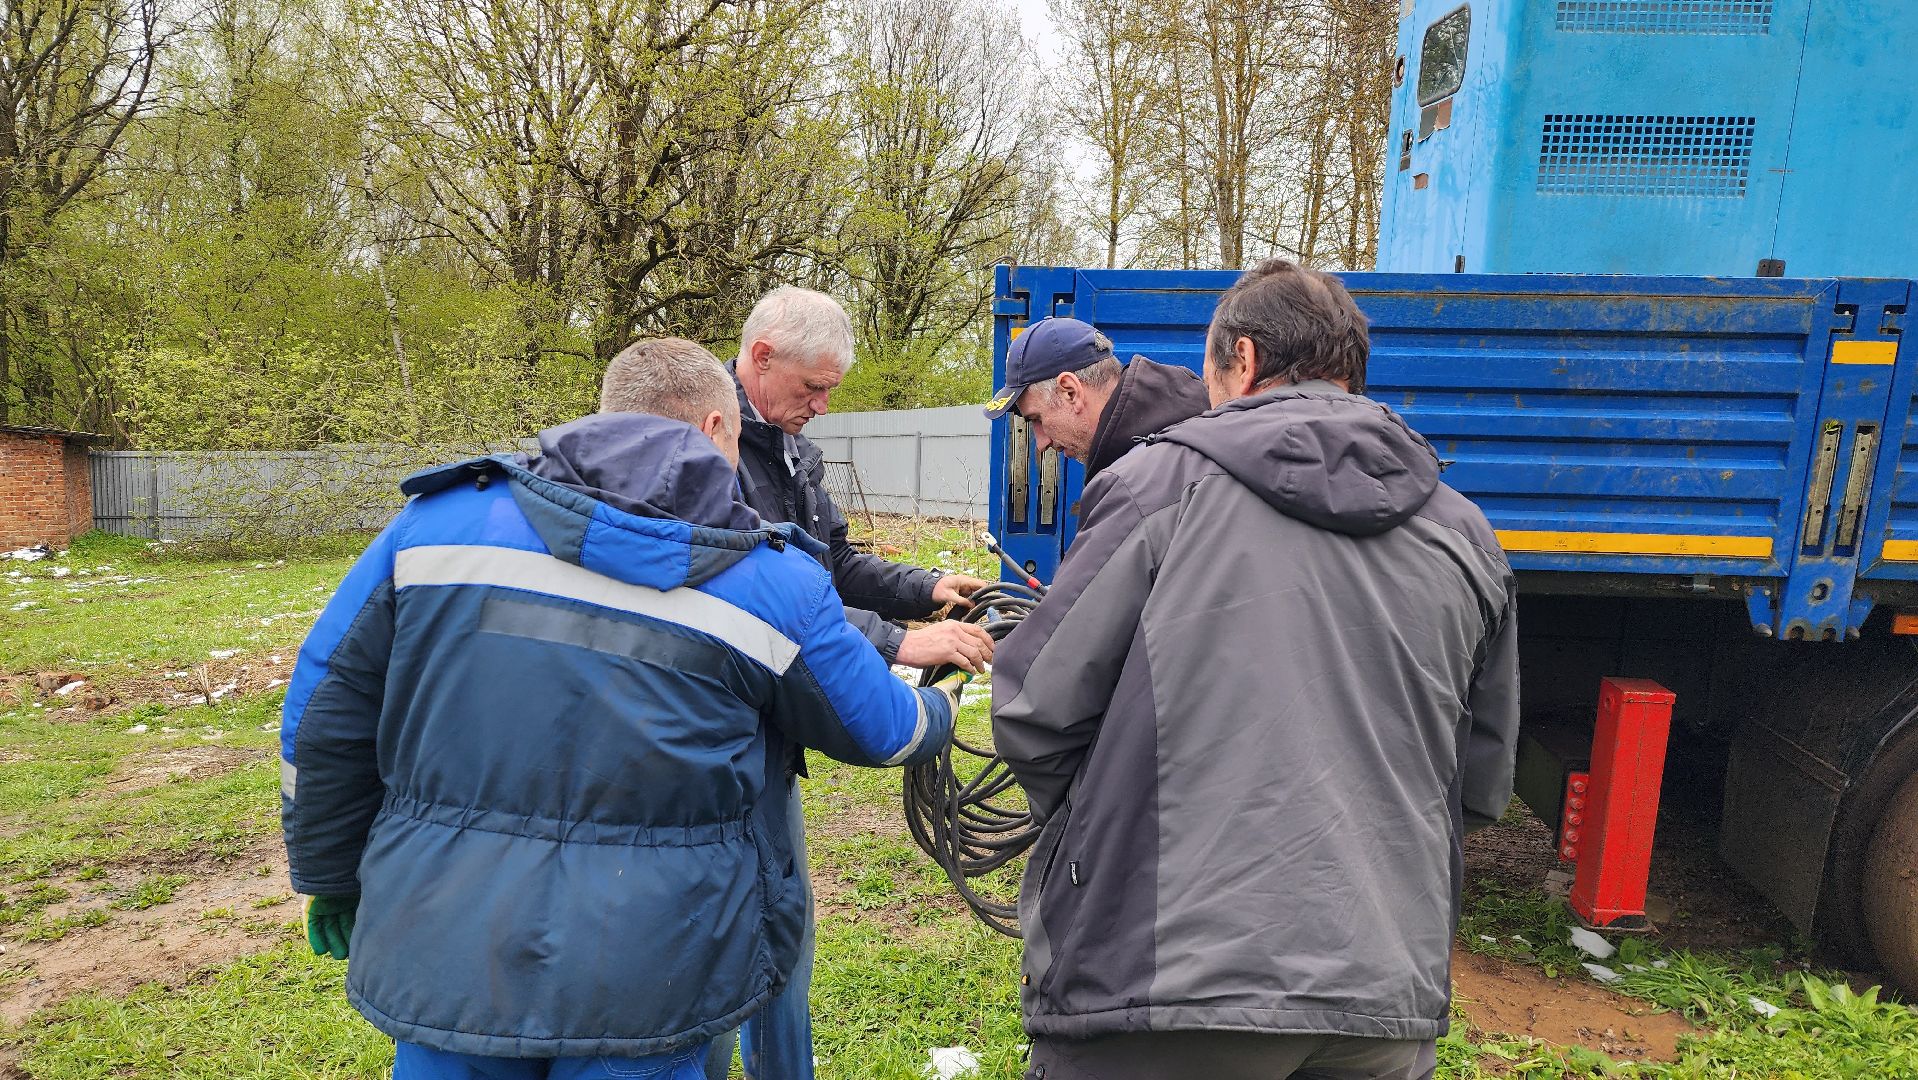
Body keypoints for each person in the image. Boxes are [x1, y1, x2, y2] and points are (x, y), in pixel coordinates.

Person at [281, 337, 964, 1080]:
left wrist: (327, 871)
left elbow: (322, 713)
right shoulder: (771, 582)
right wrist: (943, 709)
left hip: (448, 946)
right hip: (652, 973)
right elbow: (883, 729)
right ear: (713, 430)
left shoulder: (431, 531)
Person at [991, 260, 1520, 1080]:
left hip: (1167, 992)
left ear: (1240, 359)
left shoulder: (1154, 485)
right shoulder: (1467, 533)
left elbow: (1033, 708)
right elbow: (1479, 783)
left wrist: (1108, 829)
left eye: (1208, 373)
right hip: (1381, 999)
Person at [718, 286, 992, 1080]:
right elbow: (762, 595)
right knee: (727, 936)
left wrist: (925, 585)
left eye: (832, 389)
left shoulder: (789, 448)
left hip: (771, 735)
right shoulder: (709, 448)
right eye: (813, 388)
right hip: (725, 721)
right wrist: (903, 642)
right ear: (761, 358)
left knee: (782, 928)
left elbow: (829, 564)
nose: (824, 406)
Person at [982, 317, 1210, 479]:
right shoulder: (1196, 440)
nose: (1041, 444)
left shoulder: (1135, 484)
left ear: (1070, 391)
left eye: (1037, 419)